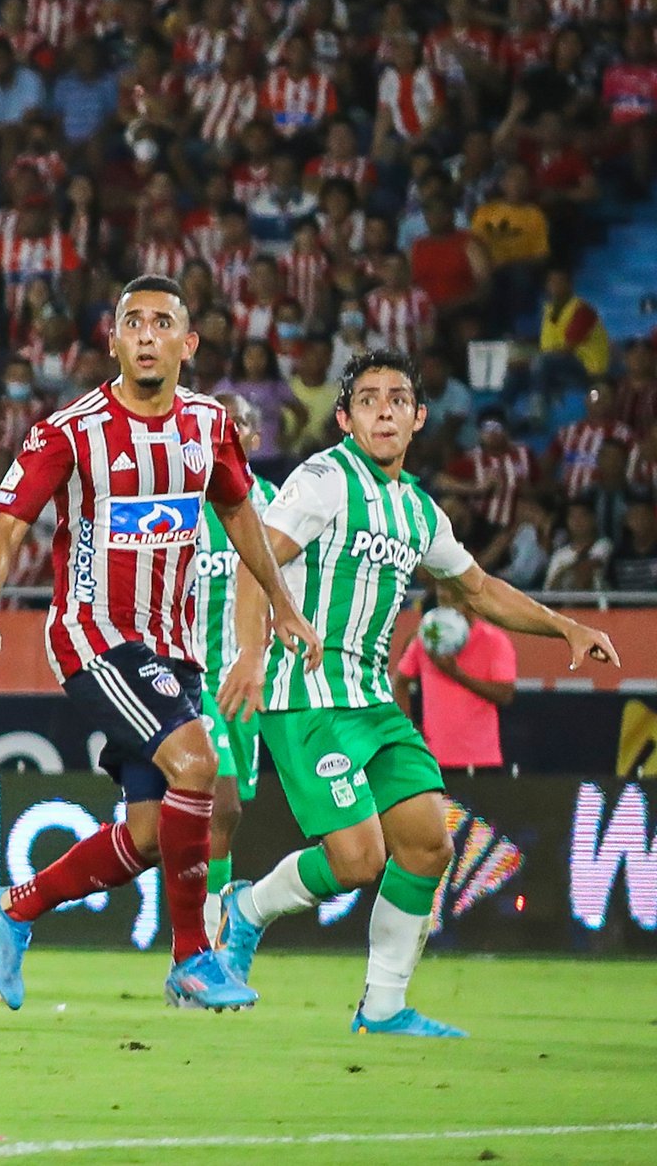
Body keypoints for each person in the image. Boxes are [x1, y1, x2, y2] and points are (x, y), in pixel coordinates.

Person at [216, 351, 619, 1037]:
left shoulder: (419, 512)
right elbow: (255, 562)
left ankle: (382, 1007)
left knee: (429, 846)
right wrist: (252, 654)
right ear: (344, 417)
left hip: (372, 699)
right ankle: (249, 908)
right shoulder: (322, 481)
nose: (383, 410)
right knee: (358, 859)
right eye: (367, 399)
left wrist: (564, 626)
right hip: (306, 695)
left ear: (418, 418)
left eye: (397, 399)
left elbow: (478, 589)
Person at [0, 275, 319, 1012]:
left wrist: (283, 607)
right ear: (113, 341)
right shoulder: (70, 429)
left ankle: (14, 908)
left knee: (152, 834)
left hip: (173, 647)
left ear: (187, 344)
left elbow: (243, 515)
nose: (146, 335)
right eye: (132, 323)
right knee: (199, 765)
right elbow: (9, 521)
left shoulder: (210, 425)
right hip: (94, 634)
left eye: (162, 323)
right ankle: (193, 958)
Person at [189, 394, 278, 938]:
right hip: (187, 676)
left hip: (245, 681)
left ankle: (204, 940)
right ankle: (205, 945)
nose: (226, 430)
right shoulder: (178, 505)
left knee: (223, 817)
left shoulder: (271, 505)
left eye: (238, 421)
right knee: (221, 808)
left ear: (255, 438)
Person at [395, 596, 516, 772]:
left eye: (455, 601)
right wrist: (409, 729)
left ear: (471, 605)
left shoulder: (494, 640)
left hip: (480, 759)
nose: (449, 609)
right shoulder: (428, 637)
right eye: (444, 602)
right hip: (433, 758)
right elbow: (400, 682)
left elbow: (505, 694)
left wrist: (456, 674)